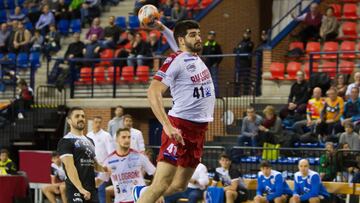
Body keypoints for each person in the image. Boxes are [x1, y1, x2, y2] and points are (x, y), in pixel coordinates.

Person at [133, 20, 215, 203]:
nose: (199, 38)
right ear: (182, 40)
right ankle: (147, 194)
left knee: (180, 185)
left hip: (199, 130)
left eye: (198, 33)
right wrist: (167, 126)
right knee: (161, 184)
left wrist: (162, 28)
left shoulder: (192, 56)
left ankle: (144, 194)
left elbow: (178, 43)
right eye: (193, 35)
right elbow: (153, 91)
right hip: (179, 127)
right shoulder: (174, 60)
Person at [57, 107, 108, 202]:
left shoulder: (90, 140)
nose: (81, 118)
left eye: (83, 116)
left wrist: (105, 169)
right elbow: (69, 167)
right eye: (77, 116)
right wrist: (80, 188)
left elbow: (94, 164)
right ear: (69, 121)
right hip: (75, 189)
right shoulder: (66, 141)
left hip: (91, 189)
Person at [98, 128, 156, 203]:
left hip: (139, 199)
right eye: (124, 137)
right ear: (117, 139)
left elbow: (156, 173)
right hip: (120, 200)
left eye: (129, 137)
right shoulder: (109, 161)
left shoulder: (139, 156)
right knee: (107, 190)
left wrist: (156, 193)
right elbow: (99, 181)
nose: (127, 140)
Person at [86, 116, 115, 203]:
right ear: (93, 123)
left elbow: (111, 152)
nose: (98, 124)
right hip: (90, 166)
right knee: (90, 190)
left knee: (101, 190)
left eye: (99, 122)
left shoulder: (106, 135)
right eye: (96, 122)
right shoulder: (88, 135)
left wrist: (108, 166)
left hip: (102, 167)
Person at [202, 30, 223, 97]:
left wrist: (216, 63)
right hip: (207, 65)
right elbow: (203, 55)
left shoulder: (216, 45)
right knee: (206, 80)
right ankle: (207, 95)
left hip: (213, 66)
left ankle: (216, 95)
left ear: (214, 37)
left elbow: (220, 56)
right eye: (210, 35)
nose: (211, 36)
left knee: (214, 80)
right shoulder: (205, 45)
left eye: (212, 35)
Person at [234, 28, 254, 96]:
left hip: (246, 64)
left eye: (248, 34)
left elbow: (246, 50)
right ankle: (236, 94)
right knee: (237, 80)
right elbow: (235, 51)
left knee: (246, 80)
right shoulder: (240, 43)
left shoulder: (250, 43)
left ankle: (245, 94)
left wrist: (239, 50)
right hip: (239, 64)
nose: (246, 35)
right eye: (245, 33)